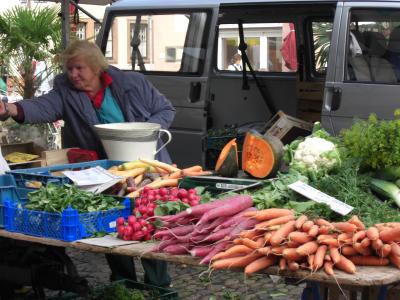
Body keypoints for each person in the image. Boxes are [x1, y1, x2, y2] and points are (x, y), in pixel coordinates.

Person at [0, 40, 175, 287]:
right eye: (69, 69)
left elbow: (165, 110)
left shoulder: (132, 83)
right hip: (104, 172)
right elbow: (43, 107)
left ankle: (158, 285)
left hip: (146, 167)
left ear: (96, 67)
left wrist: (146, 132)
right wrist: (10, 108)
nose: (73, 74)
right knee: (111, 225)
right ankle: (123, 284)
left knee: (150, 223)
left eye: (79, 68)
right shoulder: (65, 91)